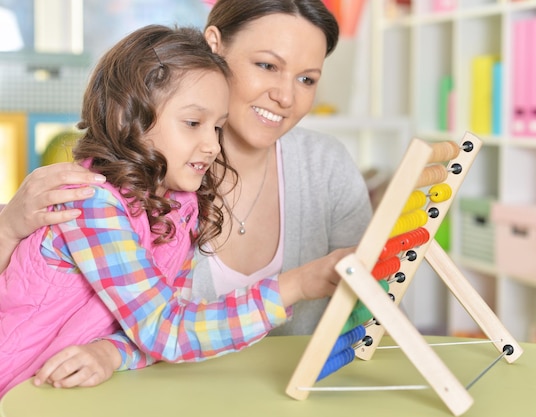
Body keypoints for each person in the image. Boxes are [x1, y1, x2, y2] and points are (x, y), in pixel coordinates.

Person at [0, 0, 372, 390]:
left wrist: (112, 352)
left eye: (307, 79)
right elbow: (167, 330)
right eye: (267, 65)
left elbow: (159, 327)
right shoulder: (93, 200)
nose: (211, 146)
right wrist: (294, 285)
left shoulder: (181, 206)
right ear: (134, 117)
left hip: (69, 393)